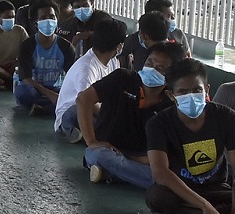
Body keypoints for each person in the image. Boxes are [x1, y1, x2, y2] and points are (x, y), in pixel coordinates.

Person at [146, 58, 235, 214]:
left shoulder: (227, 117)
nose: (191, 96)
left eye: (197, 90)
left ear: (207, 90)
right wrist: (205, 206)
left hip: (217, 189)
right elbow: (160, 172)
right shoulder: (158, 124)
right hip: (179, 191)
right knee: (156, 196)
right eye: (183, 92)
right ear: (171, 95)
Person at [78, 42, 184, 188]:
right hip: (107, 151)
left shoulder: (170, 102)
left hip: (142, 159)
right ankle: (161, 184)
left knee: (169, 168)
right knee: (98, 156)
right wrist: (91, 141)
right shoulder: (123, 78)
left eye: (160, 68)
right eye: (149, 62)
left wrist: (138, 159)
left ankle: (114, 174)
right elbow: (83, 100)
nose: (152, 69)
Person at [54, 17, 127, 141]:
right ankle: (68, 128)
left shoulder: (114, 62)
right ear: (119, 46)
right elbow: (86, 103)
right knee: (109, 127)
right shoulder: (86, 68)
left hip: (98, 109)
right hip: (74, 111)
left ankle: (82, 133)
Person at [14, 0, 76, 115]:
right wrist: (50, 95)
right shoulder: (27, 46)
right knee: (22, 92)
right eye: (43, 18)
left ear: (57, 19)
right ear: (35, 22)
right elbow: (26, 78)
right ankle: (53, 108)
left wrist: (63, 93)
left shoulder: (66, 46)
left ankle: (41, 109)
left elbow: (72, 76)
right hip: (33, 88)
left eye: (52, 17)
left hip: (55, 88)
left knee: (73, 95)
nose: (48, 21)